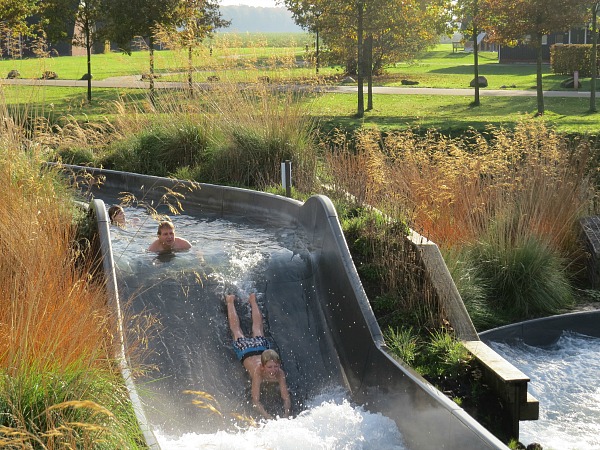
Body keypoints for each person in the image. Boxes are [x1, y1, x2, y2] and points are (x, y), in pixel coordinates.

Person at [226, 293, 291, 420]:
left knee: (258, 328)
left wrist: (287, 413)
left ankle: (253, 300)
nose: (273, 370)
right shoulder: (258, 372)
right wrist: (267, 416)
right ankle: (230, 301)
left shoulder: (280, 373)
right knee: (236, 331)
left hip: (261, 349)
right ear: (263, 366)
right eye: (270, 367)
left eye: (275, 367)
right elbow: (255, 400)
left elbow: (286, 397)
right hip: (246, 351)